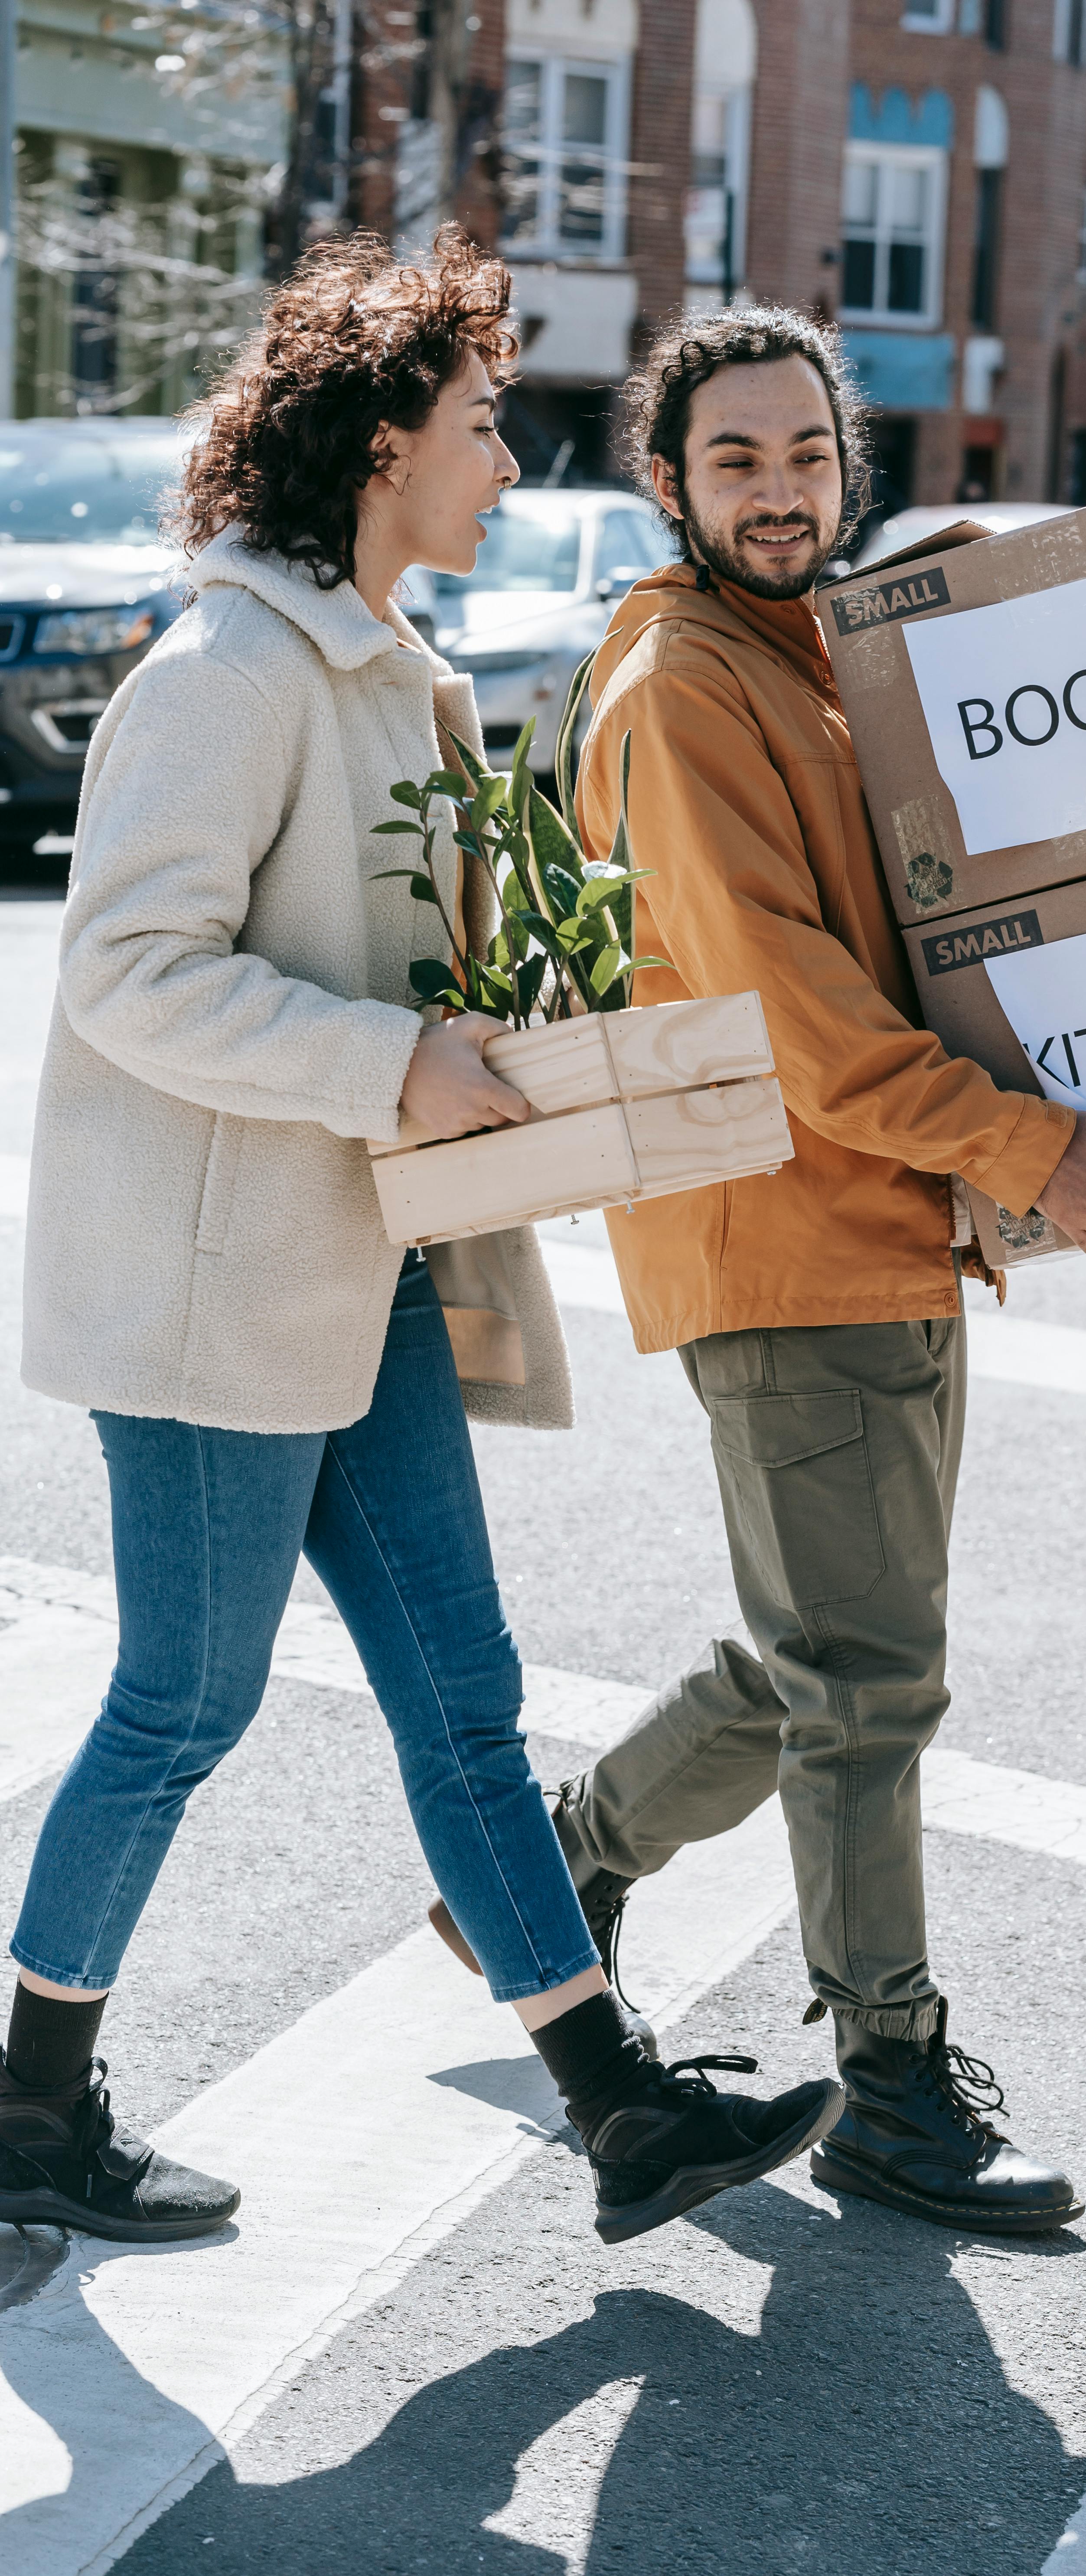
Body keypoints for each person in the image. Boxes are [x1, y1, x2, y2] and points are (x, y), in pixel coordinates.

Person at [2, 237, 838, 2254]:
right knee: (182, 1707)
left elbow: (406, 972)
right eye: (479, 425)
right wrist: (399, 1061)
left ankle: (616, 2105)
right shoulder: (226, 674)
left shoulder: (397, 677)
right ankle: (29, 2108)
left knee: (466, 1706)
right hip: (216, 1292)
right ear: (383, 448)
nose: (507, 458)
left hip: (362, 1274)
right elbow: (127, 972)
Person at [429, 307, 1086, 2233]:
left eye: (803, 458)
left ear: (843, 467)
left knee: (825, 1643)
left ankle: (545, 1870)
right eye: (735, 463)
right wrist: (1037, 1150)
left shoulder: (801, 654)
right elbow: (793, 1023)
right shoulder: (684, 696)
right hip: (787, 1242)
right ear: (667, 481)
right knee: (866, 1679)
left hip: (873, 1232)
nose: (777, 493)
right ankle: (889, 2077)